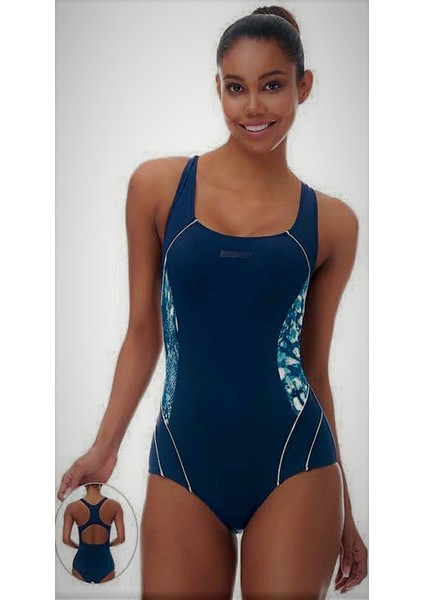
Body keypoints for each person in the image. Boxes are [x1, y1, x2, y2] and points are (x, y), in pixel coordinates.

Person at [58, 5, 368, 598]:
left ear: (303, 86)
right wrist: (106, 445)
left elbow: (314, 367)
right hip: (183, 461)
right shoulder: (158, 187)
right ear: (218, 88)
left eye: (272, 86)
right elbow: (142, 331)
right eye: (236, 87)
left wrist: (345, 511)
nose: (252, 107)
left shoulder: (332, 223)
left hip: (298, 465)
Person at [62, 483, 125, 583]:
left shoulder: (72, 507)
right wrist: (108, 545)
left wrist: (78, 546)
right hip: (105, 564)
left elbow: (66, 540)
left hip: (81, 564)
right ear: (101, 484)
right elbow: (121, 539)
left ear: (85, 485)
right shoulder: (115, 506)